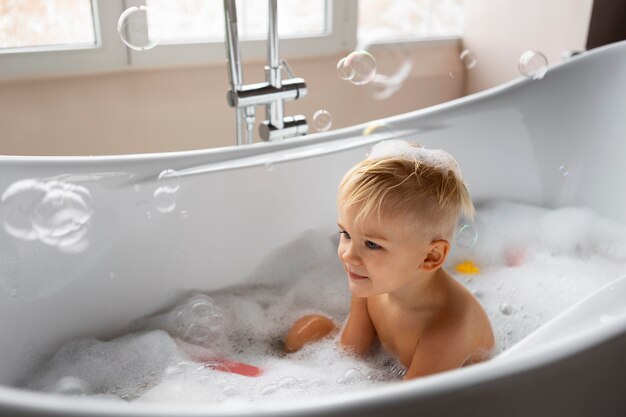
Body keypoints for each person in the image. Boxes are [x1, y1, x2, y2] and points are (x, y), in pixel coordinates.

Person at [284, 139, 494, 381]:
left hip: (466, 401)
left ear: (430, 257)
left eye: (372, 244)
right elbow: (351, 351)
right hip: (402, 382)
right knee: (309, 328)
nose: (348, 254)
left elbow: (410, 405)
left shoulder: (448, 328)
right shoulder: (372, 280)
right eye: (346, 234)